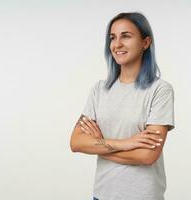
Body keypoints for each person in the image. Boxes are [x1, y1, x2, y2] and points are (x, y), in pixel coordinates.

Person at [70, 12, 175, 200]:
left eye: (125, 36)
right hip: (102, 194)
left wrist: (100, 145)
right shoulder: (99, 90)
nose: (117, 44)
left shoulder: (160, 90)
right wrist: (126, 144)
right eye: (113, 37)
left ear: (145, 42)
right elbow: (76, 142)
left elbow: (147, 156)